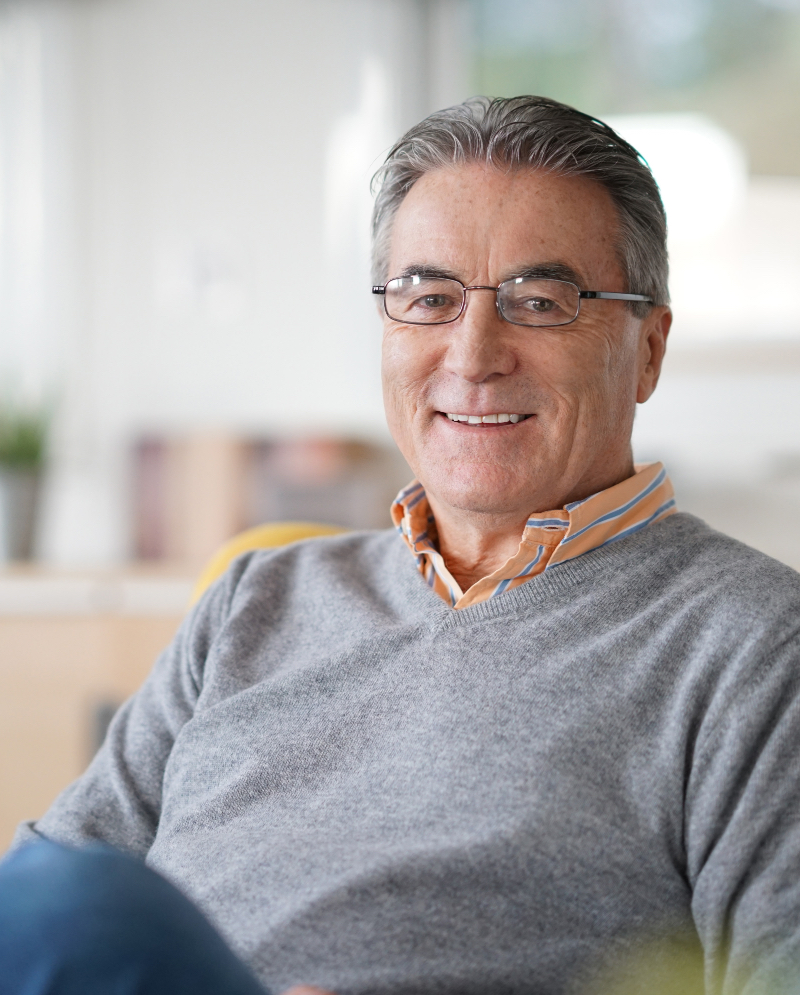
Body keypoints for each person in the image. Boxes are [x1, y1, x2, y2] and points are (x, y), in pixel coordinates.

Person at [2, 95, 799, 995]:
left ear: (646, 348)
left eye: (540, 301)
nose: (472, 354)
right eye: (428, 298)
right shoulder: (255, 599)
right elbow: (43, 897)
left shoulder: (758, 645)